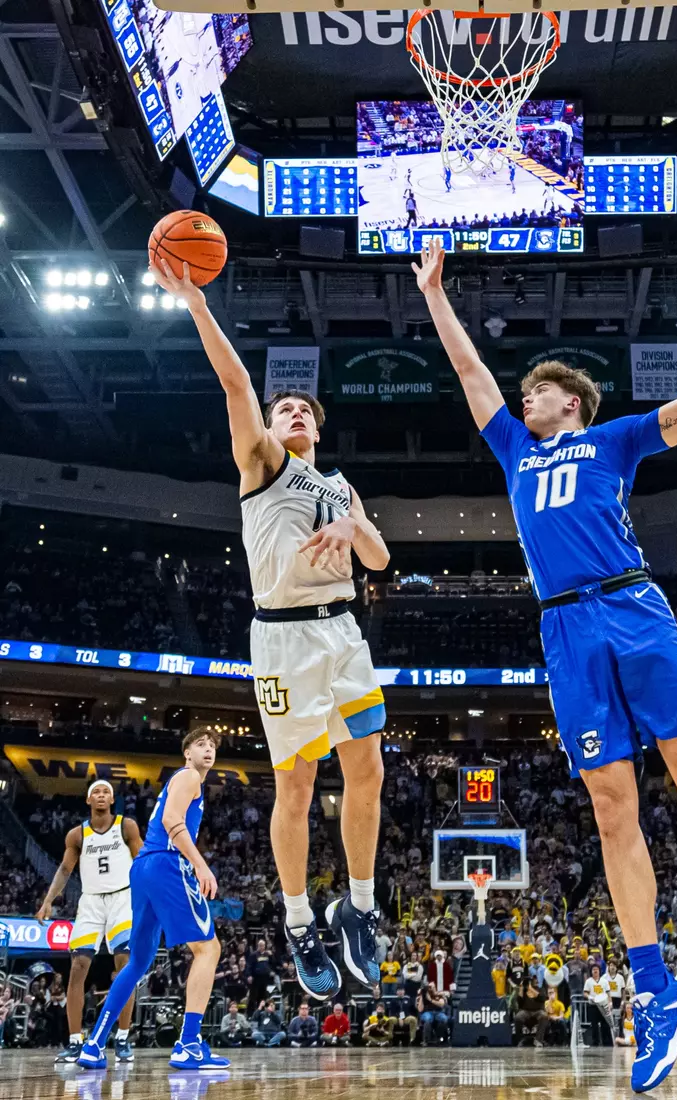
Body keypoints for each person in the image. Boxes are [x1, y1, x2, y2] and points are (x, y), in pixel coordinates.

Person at [413, 239, 677, 1092]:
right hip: (565, 632)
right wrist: (435, 294)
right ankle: (656, 989)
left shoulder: (615, 439)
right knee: (610, 809)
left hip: (631, 607)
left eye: (538, 390)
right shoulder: (516, 447)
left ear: (573, 402)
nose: (524, 396)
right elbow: (471, 371)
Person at [152, 260, 389, 1003]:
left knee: (370, 771)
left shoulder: (339, 484)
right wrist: (195, 301)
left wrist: (353, 525)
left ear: (319, 426)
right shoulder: (262, 463)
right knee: (297, 786)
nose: (290, 414)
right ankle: (295, 922)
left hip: (345, 633)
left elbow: (380, 557)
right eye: (282, 407)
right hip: (283, 641)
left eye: (302, 410)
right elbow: (235, 386)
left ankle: (358, 906)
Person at [77, 729, 229, 1070]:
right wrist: (200, 865)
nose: (208, 750)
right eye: (200, 745)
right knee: (209, 949)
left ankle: (94, 1043)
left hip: (143, 868)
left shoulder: (185, 780)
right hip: (165, 862)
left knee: (138, 961)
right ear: (187, 753)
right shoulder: (189, 776)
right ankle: (188, 1043)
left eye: (212, 746)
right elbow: (171, 819)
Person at [38, 780, 142, 1064]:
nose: (101, 795)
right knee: (77, 966)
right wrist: (48, 900)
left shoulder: (126, 826)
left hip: (123, 900)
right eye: (96, 791)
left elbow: (143, 862)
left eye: (106, 792)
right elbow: (64, 869)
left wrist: (150, 900)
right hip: (91, 902)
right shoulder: (77, 834)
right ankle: (75, 1041)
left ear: (112, 800)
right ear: (87, 800)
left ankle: (122, 1037)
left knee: (125, 965)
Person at [514, 977, 548, 1047]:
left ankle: (538, 1040)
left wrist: (531, 989)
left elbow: (543, 998)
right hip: (526, 1011)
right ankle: (520, 1039)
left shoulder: (540, 989)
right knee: (518, 1017)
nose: (531, 982)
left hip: (538, 1011)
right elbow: (519, 1003)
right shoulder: (524, 990)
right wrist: (521, 988)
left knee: (544, 1015)